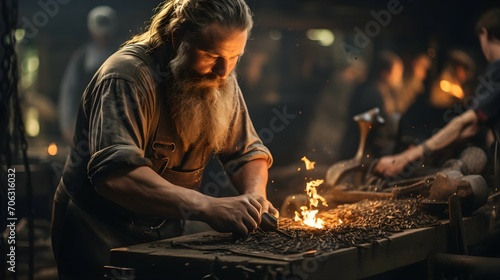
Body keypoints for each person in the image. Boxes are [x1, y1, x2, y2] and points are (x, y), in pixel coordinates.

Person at [51, 0, 278, 279]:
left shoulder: (218, 77)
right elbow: (116, 177)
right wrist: (207, 206)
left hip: (168, 224)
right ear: (177, 38)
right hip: (99, 230)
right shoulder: (126, 77)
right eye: (211, 55)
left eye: (235, 57)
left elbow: (247, 153)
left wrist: (255, 197)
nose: (224, 71)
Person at [375, 8, 500, 185]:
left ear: (485, 34)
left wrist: (407, 157)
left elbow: (466, 122)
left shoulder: (497, 70)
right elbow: (471, 127)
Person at [58, 5, 120, 144]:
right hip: (85, 124)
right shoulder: (81, 59)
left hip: (116, 125)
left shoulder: (122, 54)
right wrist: (67, 125)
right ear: (92, 31)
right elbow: (69, 91)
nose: (103, 37)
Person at [340, 50, 404, 160]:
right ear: (384, 73)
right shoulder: (372, 94)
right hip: (362, 154)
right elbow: (375, 133)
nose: (399, 77)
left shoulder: (382, 92)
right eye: (397, 73)